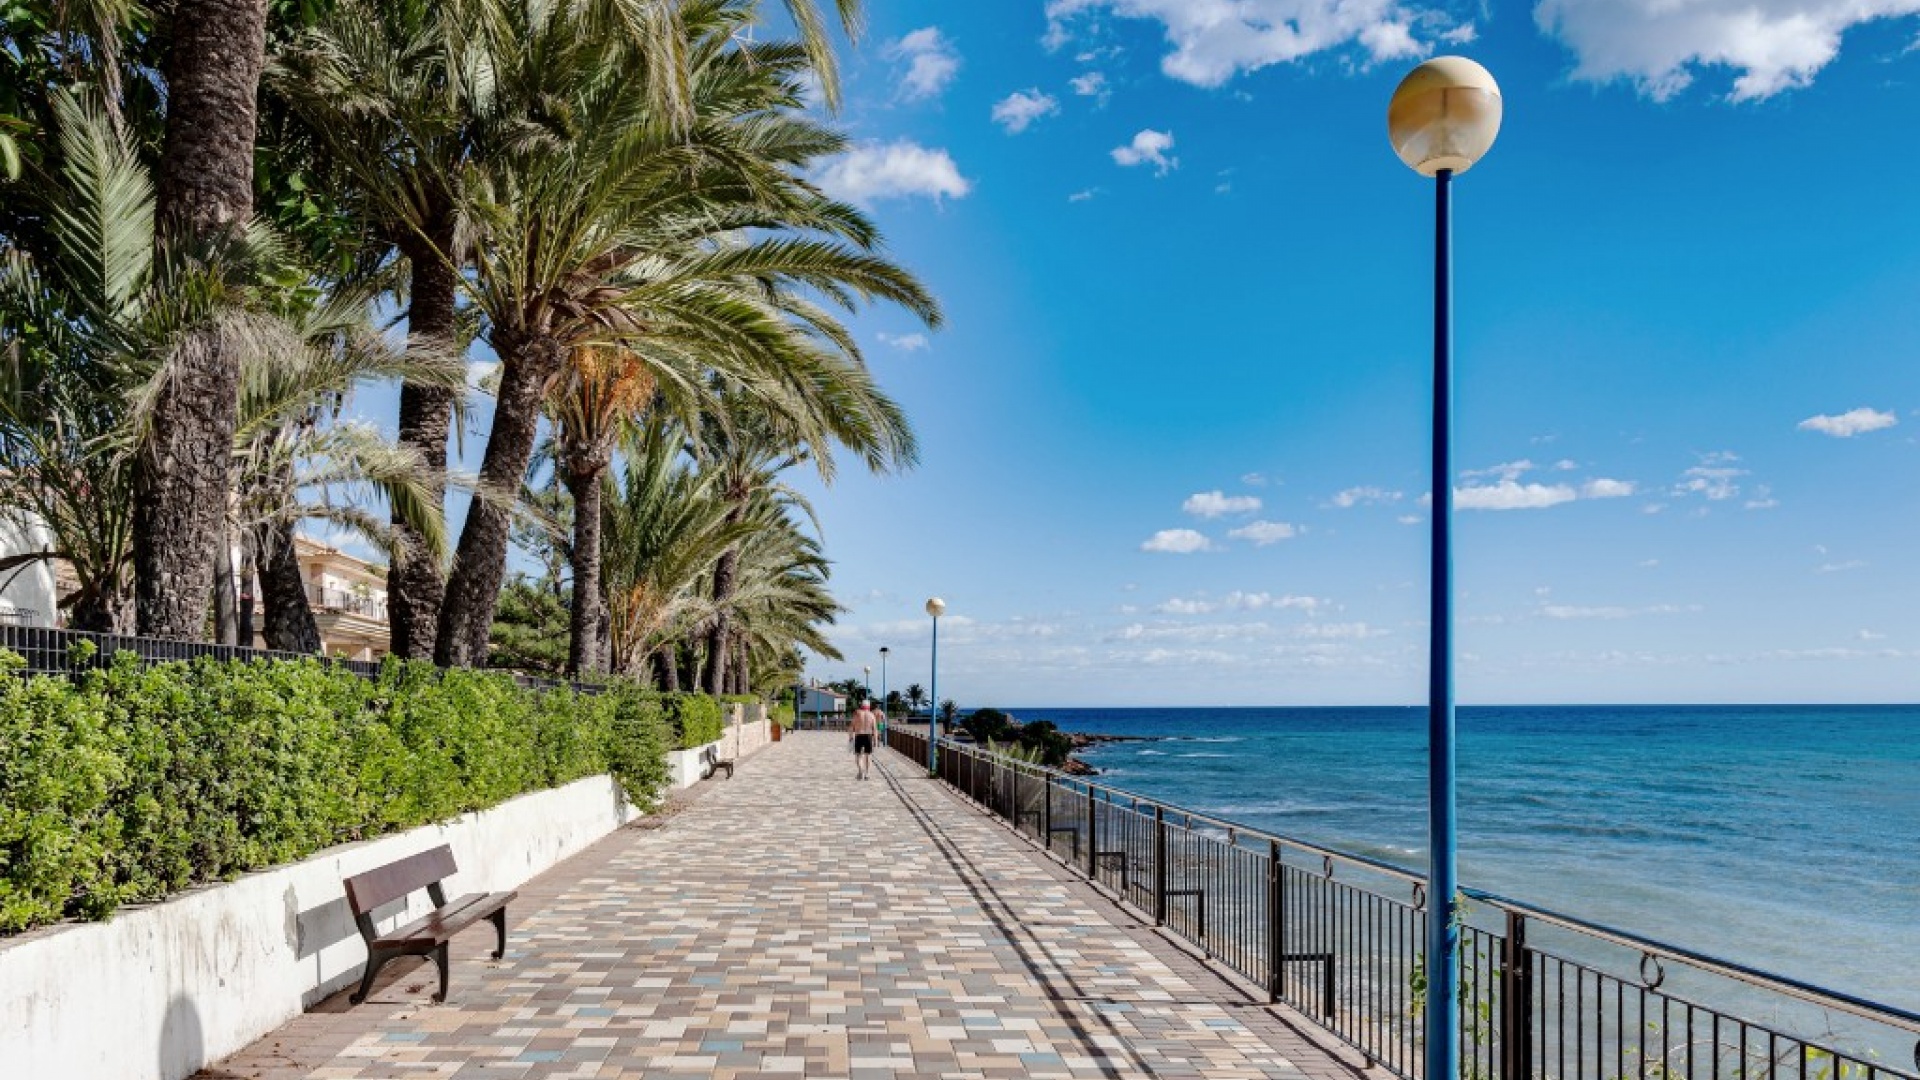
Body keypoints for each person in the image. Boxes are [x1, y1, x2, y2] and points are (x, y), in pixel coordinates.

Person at [849, 699, 878, 780]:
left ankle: (860, 771)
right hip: (868, 736)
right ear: (869, 706)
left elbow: (851, 726)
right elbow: (875, 729)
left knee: (858, 755)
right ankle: (867, 774)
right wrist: (875, 740)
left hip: (859, 735)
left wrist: (851, 737)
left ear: (861, 706)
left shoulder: (857, 714)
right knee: (868, 756)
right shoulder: (872, 715)